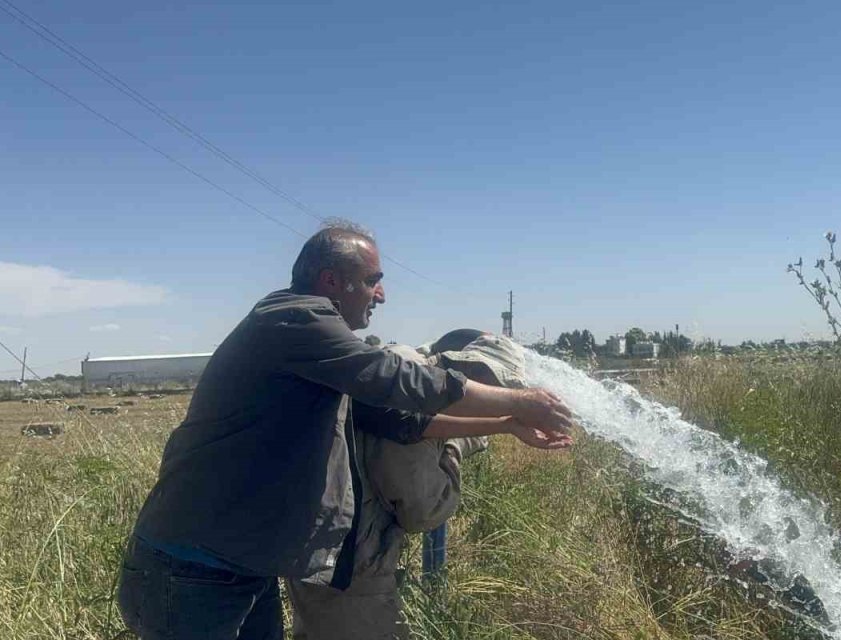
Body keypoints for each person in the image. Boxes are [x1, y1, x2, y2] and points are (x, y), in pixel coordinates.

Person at [116, 221, 573, 640]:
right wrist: (516, 399)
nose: (381, 295)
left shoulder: (316, 352)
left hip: (241, 567)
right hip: (192, 572)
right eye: (373, 280)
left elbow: (395, 418)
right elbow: (398, 379)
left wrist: (506, 424)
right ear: (331, 281)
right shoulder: (294, 318)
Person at [286, 330, 550, 639]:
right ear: (476, 373)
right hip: (352, 569)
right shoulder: (420, 399)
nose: (498, 402)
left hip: (317, 549)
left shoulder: (402, 369)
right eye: (498, 391)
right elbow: (422, 510)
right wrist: (458, 444)